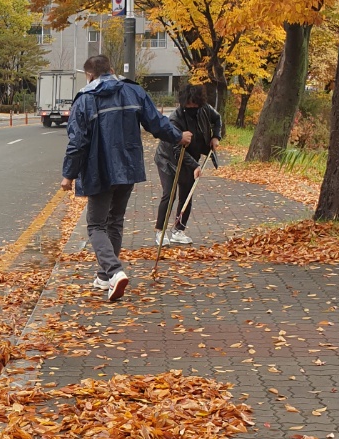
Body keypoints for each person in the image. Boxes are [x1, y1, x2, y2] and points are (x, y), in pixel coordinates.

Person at [60, 54, 191, 301]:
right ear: (112, 69)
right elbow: (156, 122)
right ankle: (103, 276)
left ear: (89, 75)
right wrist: (178, 136)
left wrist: (68, 175)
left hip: (99, 169)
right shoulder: (133, 91)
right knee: (115, 220)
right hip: (128, 167)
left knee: (96, 224)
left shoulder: (85, 99)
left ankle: (114, 271)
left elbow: (77, 142)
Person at [154, 82, 222, 246]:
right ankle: (160, 232)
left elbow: (217, 119)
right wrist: (195, 166)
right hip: (168, 159)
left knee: (187, 194)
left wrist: (215, 136)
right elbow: (177, 151)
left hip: (191, 156)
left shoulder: (205, 109)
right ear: (183, 103)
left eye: (195, 105)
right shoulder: (175, 119)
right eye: (188, 106)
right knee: (169, 194)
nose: (192, 108)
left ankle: (178, 230)